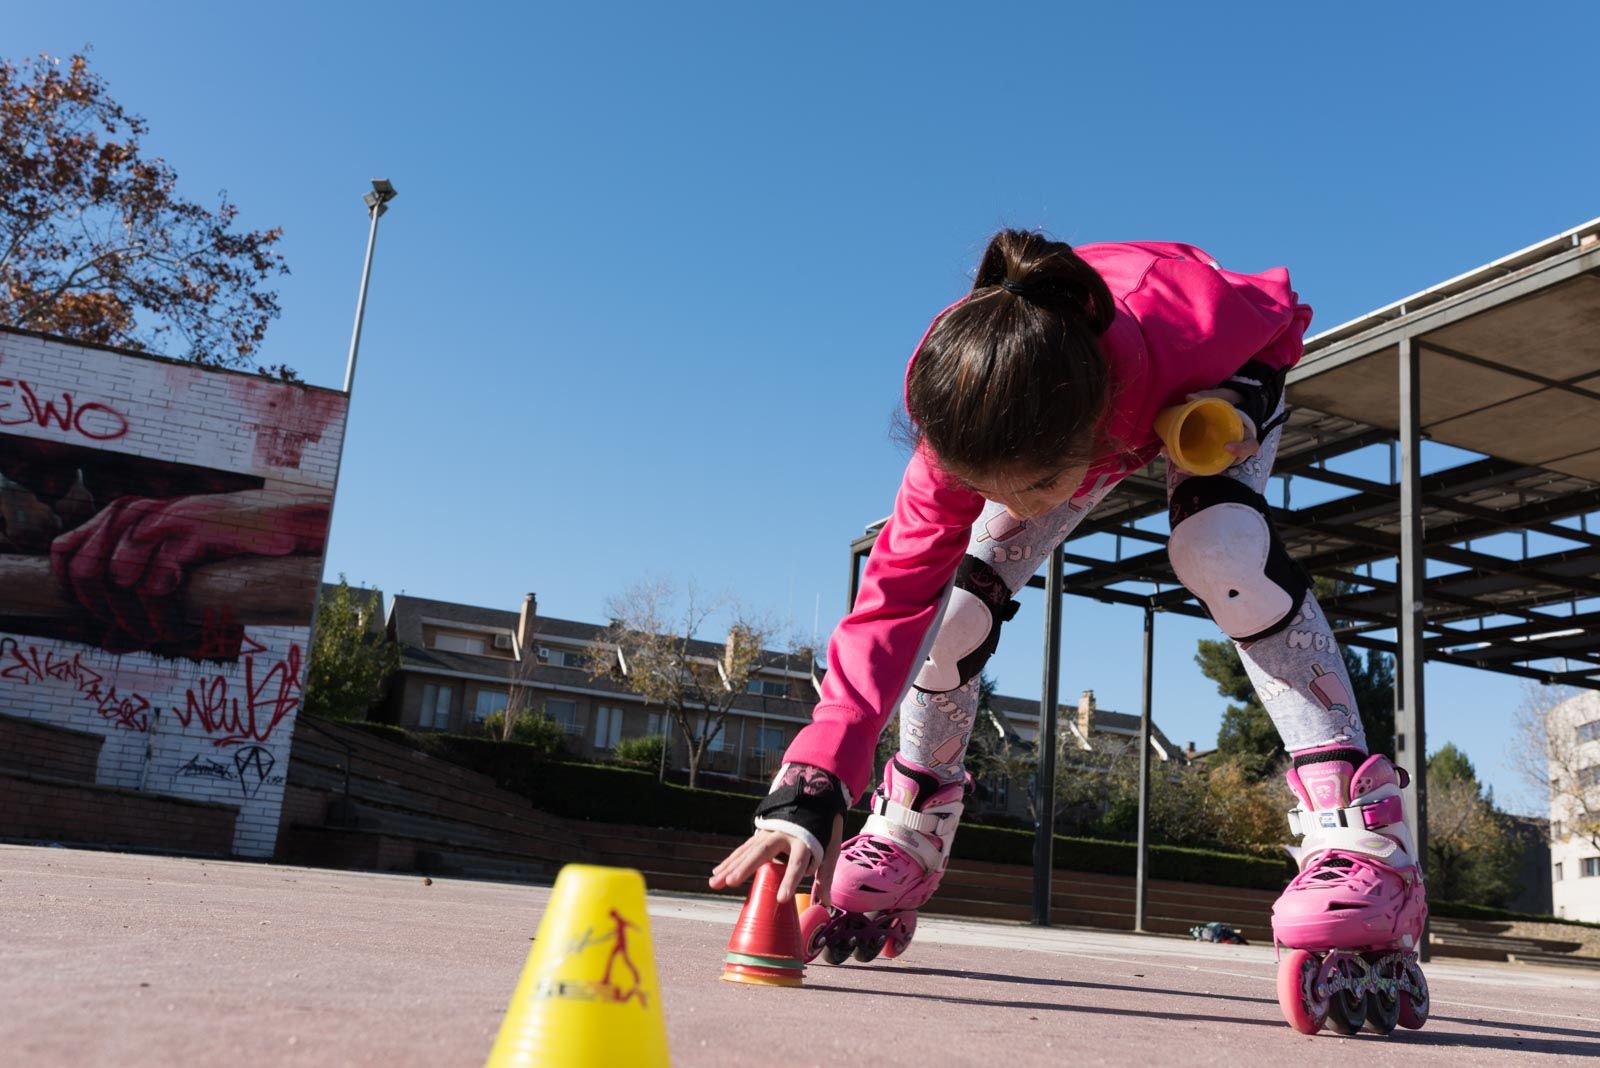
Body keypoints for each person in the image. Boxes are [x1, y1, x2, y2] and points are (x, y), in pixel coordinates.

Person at [708, 230, 1427, 1030]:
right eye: (992, 488)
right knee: (956, 606)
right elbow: (889, 605)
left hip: (1210, 372)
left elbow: (1280, 315)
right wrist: (814, 783)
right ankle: (910, 822)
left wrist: (1224, 422)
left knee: (1219, 545)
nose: (1027, 504)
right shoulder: (960, 419)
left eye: (1037, 488)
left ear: (1084, 444)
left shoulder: (1190, 319)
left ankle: (1366, 841)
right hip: (1070, 396)